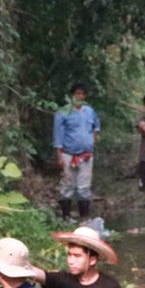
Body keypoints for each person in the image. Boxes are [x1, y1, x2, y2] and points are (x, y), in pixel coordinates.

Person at [52, 82, 101, 220]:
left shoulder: (89, 111)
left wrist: (92, 143)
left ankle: (84, 218)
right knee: (67, 186)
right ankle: (66, 217)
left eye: (82, 94)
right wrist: (59, 156)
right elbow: (58, 136)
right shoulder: (62, 113)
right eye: (77, 94)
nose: (80, 96)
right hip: (68, 154)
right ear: (72, 96)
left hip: (85, 155)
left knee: (84, 188)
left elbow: (96, 128)